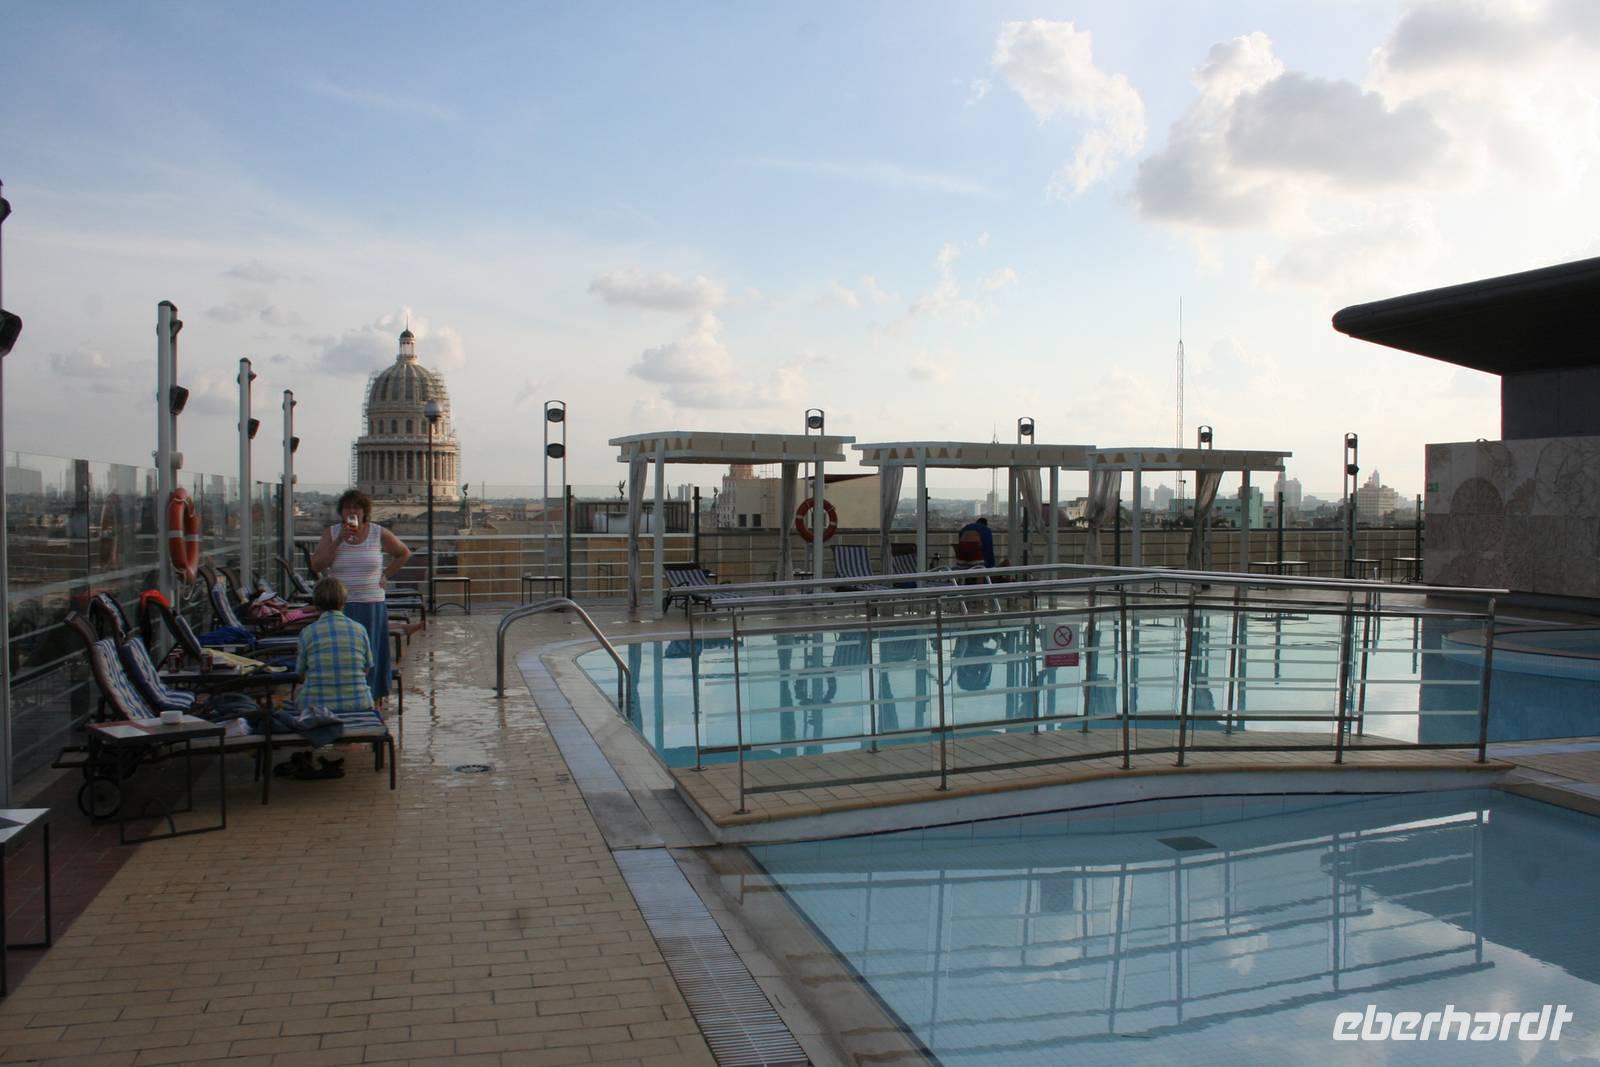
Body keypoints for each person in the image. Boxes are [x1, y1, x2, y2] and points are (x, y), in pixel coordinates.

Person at [309, 489, 410, 704]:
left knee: (371, 653)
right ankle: (346, 697)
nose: (352, 511)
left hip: (371, 604)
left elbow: (403, 553)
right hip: (340, 606)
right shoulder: (332, 533)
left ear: (365, 512)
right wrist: (338, 541)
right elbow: (317, 565)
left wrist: (386, 574)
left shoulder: (377, 532)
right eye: (347, 507)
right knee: (345, 654)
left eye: (356, 507)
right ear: (341, 512)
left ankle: (371, 699)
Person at [284, 577, 373, 779]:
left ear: (316, 604)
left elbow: (301, 673)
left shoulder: (308, 632)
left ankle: (309, 754)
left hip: (318, 705)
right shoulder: (359, 630)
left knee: (297, 694)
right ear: (343, 602)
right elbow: (367, 668)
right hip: (359, 703)